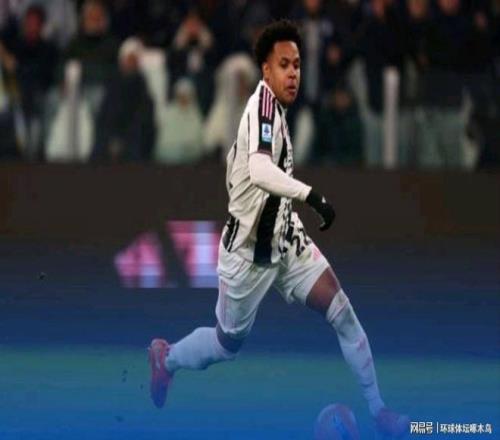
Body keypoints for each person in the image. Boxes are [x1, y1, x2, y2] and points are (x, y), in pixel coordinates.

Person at [148, 20, 409, 437]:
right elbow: (259, 169)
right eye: (283, 65)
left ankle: (380, 412)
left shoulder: (278, 111)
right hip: (249, 252)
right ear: (266, 71)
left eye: (297, 65)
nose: (293, 74)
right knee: (226, 345)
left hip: (285, 237)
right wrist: (311, 195)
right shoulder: (263, 109)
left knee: (342, 311)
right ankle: (168, 359)